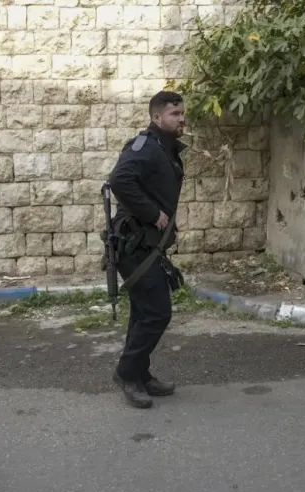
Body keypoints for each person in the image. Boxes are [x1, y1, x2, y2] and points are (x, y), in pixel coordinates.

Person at [106, 91, 188, 409]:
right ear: (156, 117)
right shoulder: (145, 146)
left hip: (147, 244)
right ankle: (127, 374)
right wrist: (153, 214)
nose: (181, 119)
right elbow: (119, 179)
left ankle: (139, 373)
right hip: (134, 245)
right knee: (157, 313)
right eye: (174, 114)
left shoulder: (163, 148)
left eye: (182, 113)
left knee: (143, 312)